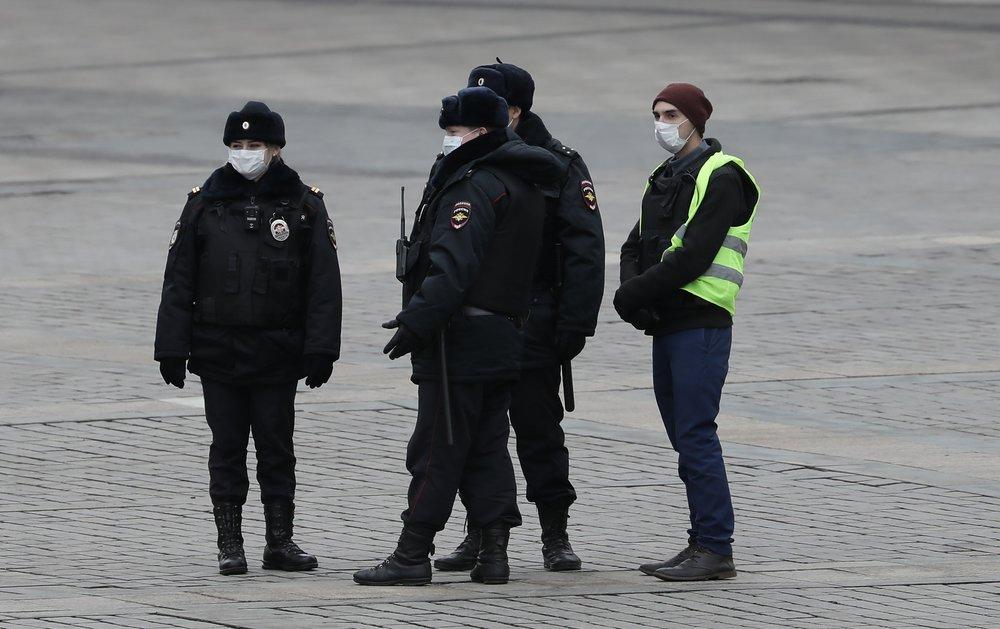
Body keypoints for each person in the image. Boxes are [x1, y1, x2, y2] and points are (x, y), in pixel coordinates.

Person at [353, 87, 564, 586]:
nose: (448, 141)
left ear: (481, 133)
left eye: (454, 132)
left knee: (437, 446)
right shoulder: (525, 181)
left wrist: (416, 321)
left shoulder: (475, 186)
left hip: (461, 336)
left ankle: (412, 553)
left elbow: (453, 267)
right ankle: (494, 552)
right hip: (506, 332)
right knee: (486, 445)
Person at [154, 101, 342, 575]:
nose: (244, 153)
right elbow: (179, 280)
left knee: (277, 449)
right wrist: (172, 347)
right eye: (236, 146)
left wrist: (322, 349)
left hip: (277, 351)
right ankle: (229, 543)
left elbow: (324, 285)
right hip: (219, 350)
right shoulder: (204, 204)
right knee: (227, 448)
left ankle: (279, 542)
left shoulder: (303, 205)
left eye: (254, 145)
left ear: (276, 149)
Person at [434, 61, 604, 574]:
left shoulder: (556, 163)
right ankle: (480, 532)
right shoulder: (462, 157)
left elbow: (584, 247)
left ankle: (556, 532)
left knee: (537, 427)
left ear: (515, 111)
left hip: (535, 314)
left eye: (492, 108)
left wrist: (574, 323)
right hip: (473, 316)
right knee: (473, 429)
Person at [613, 83, 760, 581]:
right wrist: (634, 294)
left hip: (701, 321)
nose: (662, 122)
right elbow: (634, 245)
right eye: (656, 113)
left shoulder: (724, 176)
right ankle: (701, 541)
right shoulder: (664, 175)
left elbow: (694, 254)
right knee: (683, 436)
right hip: (668, 321)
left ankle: (716, 548)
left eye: (671, 113)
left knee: (696, 434)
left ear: (696, 118)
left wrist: (634, 296)